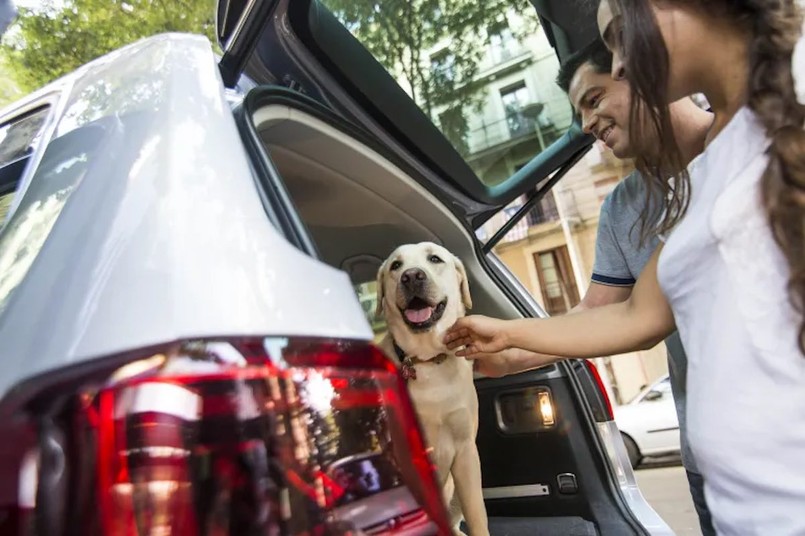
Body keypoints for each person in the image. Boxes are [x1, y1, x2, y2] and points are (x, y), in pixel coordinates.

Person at [446, 0, 805, 532]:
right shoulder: (707, 174)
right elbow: (635, 315)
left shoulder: (784, 113)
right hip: (737, 500)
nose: (619, 62)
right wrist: (505, 338)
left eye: (619, 35)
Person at [475, 37, 716, 534]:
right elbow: (619, 317)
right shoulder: (624, 208)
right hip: (711, 456)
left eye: (594, 98)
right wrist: (505, 353)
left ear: (640, 69)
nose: (586, 124)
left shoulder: (754, 141)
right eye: (580, 112)